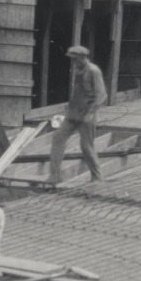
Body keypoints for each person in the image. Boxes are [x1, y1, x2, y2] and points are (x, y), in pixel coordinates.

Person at [49, 45, 107, 184]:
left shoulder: (93, 71)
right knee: (58, 137)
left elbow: (102, 95)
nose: (73, 62)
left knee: (86, 146)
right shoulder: (78, 70)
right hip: (73, 113)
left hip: (87, 114)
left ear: (82, 58)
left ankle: (97, 177)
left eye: (75, 59)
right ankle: (55, 176)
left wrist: (91, 113)